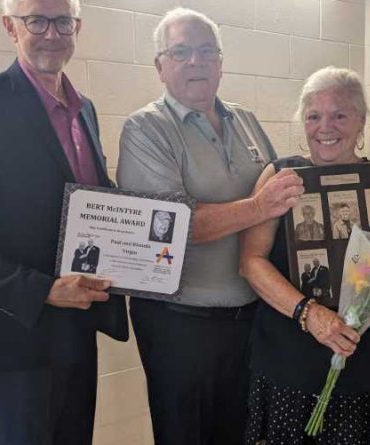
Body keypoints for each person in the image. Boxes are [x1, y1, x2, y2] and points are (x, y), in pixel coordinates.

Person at [0, 1, 128, 443]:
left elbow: (93, 205)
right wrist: (43, 290)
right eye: (36, 20)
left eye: (63, 22)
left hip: (78, 330)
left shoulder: (86, 111)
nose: (52, 33)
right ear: (10, 27)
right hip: (15, 336)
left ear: (77, 27)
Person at [116, 7, 304, 444]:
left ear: (221, 62)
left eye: (206, 51)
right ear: (159, 66)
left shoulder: (247, 121)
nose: (195, 62)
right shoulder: (145, 129)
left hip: (251, 318)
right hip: (179, 324)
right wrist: (258, 206)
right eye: (180, 52)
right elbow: (171, 226)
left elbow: (282, 209)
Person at [240, 66, 370, 444]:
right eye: (314, 116)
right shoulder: (279, 177)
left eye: (339, 114)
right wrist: (310, 314)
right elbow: (251, 261)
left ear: (361, 121)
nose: (325, 126)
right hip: (290, 363)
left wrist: (367, 316)